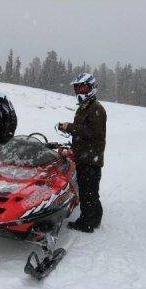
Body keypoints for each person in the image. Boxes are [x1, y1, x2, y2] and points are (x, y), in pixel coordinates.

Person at [59, 73, 107, 233]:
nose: (79, 90)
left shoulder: (96, 109)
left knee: (88, 192)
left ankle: (86, 223)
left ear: (91, 88)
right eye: (77, 87)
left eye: (82, 87)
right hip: (84, 155)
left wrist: (70, 127)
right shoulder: (85, 107)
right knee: (89, 190)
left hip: (90, 158)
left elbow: (93, 133)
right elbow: (84, 131)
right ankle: (95, 218)